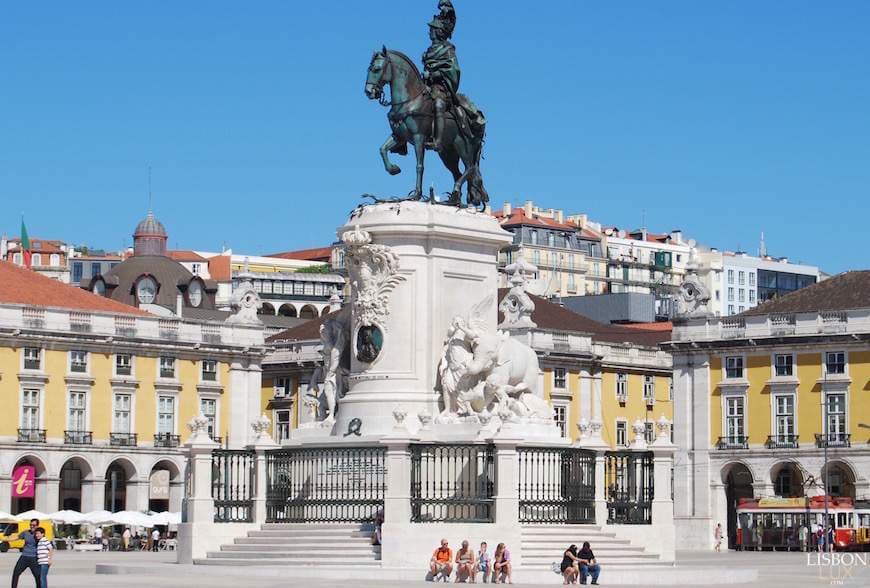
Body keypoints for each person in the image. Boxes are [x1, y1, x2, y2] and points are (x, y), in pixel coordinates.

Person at [9, 518, 41, 588]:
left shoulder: (39, 534)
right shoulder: (26, 532)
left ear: (37, 526)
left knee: (37, 576)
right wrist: (5, 539)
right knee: (16, 573)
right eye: (31, 525)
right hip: (24, 556)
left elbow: (46, 545)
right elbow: (16, 537)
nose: (32, 526)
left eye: (34, 525)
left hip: (34, 558)